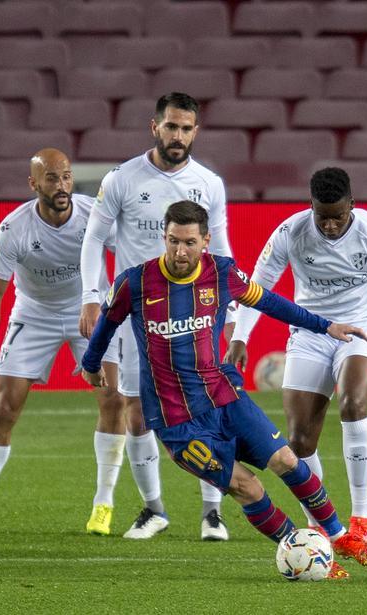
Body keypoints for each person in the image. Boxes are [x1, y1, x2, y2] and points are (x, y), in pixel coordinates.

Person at [81, 201, 367, 578]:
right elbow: (106, 324)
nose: (179, 251)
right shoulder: (135, 282)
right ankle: (305, 556)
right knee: (248, 488)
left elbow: (269, 301)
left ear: (205, 240)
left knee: (287, 460)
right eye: (173, 241)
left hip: (224, 396)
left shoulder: (221, 273)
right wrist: (91, 364)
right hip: (177, 422)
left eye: (189, 242)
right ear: (164, 237)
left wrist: (325, 326)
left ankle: (340, 536)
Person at [224, 167, 367, 542]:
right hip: (310, 331)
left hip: (363, 328)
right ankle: (317, 521)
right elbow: (258, 285)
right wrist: (241, 336)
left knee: (353, 405)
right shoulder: (292, 232)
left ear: (352, 204)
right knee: (299, 441)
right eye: (323, 216)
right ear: (311, 206)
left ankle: (361, 518)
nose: (331, 225)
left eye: (338, 216)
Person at [79, 92, 232, 541]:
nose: (178, 136)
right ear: (155, 127)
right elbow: (93, 240)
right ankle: (154, 509)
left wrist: (233, 310)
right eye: (171, 127)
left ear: (195, 131)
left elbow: (220, 251)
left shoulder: (209, 183)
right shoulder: (122, 179)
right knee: (136, 407)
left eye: (186, 128)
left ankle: (212, 513)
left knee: (204, 410)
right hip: (136, 315)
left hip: (193, 316)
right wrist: (93, 296)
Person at [0, 149, 129, 536]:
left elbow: (130, 255)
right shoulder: (13, 229)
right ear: (34, 184)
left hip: (90, 309)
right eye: (52, 178)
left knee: (114, 398)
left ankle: (104, 503)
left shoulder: (92, 215)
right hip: (34, 314)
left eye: (66, 176)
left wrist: (114, 304)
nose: (62, 185)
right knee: (6, 407)